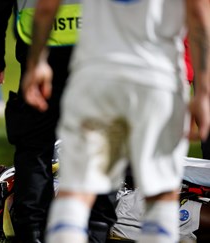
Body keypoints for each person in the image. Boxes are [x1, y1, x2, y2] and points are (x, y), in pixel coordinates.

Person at [22, 0, 210, 243]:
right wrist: (203, 92)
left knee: (77, 193)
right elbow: (199, 14)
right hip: (157, 80)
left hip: (96, 77)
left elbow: (47, 6)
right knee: (160, 197)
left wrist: (36, 61)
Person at [0, 0, 117, 242]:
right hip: (98, 49)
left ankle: (31, 232)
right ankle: (96, 231)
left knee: (34, 149)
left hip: (41, 49)